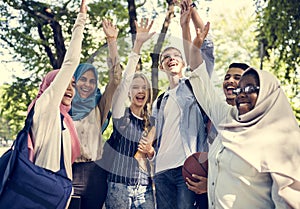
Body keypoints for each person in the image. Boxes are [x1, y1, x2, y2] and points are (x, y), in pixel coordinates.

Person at [188, 19, 300, 209]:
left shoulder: (283, 139)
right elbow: (202, 85)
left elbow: (288, 201)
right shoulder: (229, 120)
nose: (241, 94)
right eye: (239, 90)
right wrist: (194, 48)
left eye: (249, 88)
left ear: (268, 94)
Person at [151, 1, 214, 208]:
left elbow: (206, 47)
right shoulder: (160, 101)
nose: (171, 59)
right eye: (166, 57)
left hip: (186, 167)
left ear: (184, 62)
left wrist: (187, 20)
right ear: (161, 67)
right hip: (161, 171)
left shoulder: (194, 86)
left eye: (176, 56)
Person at [26, 0, 87, 208]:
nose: (70, 89)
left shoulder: (65, 121)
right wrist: (81, 20)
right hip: (41, 196)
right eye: (64, 83)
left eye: (73, 85)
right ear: (52, 87)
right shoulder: (45, 108)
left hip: (60, 197)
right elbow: (71, 63)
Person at [69, 19, 122, 209]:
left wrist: (112, 41)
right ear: (73, 81)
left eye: (92, 81)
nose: (87, 84)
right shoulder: (64, 108)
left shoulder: (99, 107)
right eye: (83, 79)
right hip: (67, 173)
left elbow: (116, 78)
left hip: (95, 174)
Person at [104, 18, 156, 209]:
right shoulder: (120, 114)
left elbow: (155, 158)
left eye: (144, 87)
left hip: (145, 189)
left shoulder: (152, 123)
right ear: (129, 93)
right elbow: (124, 80)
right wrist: (137, 45)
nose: (139, 90)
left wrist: (151, 153)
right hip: (118, 187)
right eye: (135, 87)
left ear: (148, 93)